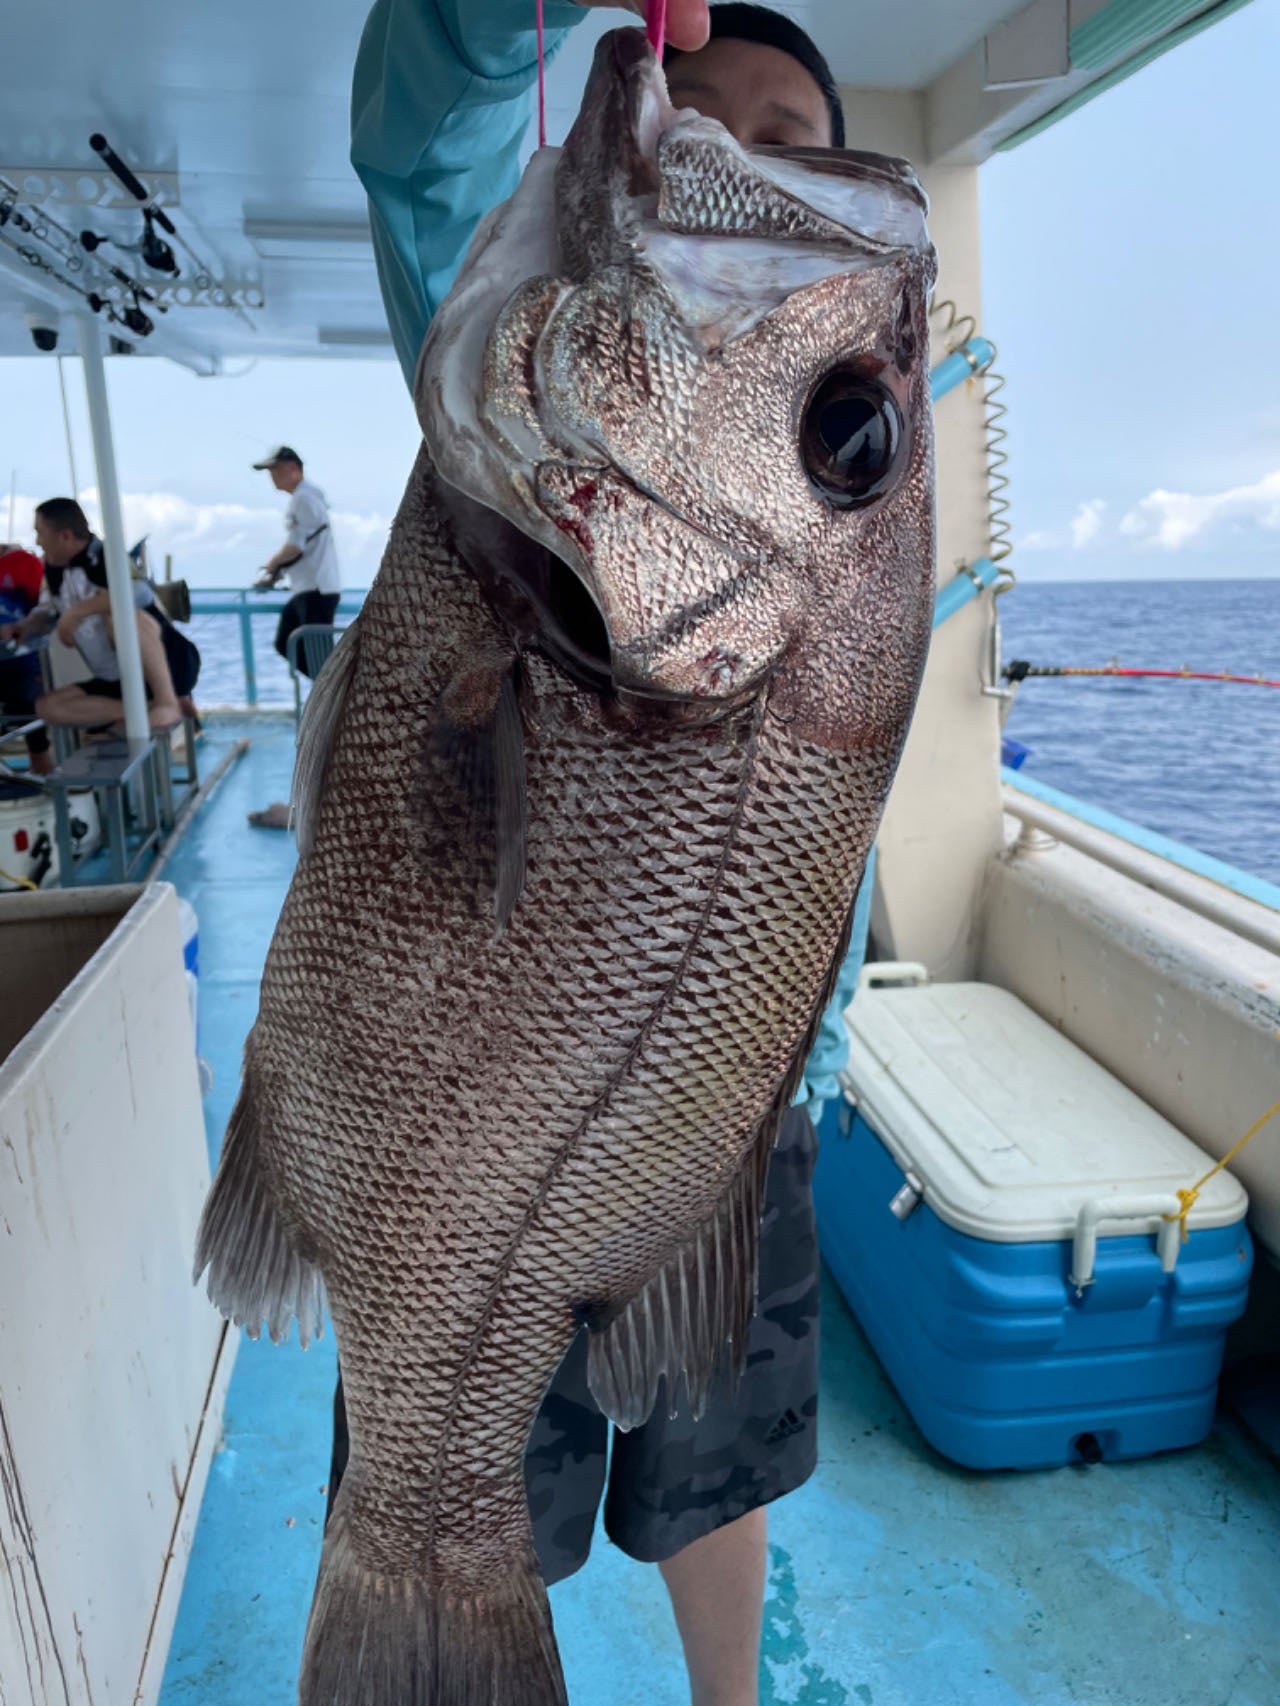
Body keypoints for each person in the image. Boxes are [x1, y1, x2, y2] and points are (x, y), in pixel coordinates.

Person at [329, 6, 846, 1703]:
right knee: (460, 1462)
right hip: (472, 1091)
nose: (743, 153)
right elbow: (417, 144)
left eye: (791, 134)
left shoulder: (825, 442)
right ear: (610, 141)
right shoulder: (507, 345)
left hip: (746, 1083)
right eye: (702, 114)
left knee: (722, 1459)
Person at [1, 498, 199, 735]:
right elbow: (48, 611)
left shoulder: (107, 555)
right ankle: (146, 709)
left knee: (122, 619)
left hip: (171, 665)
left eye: (40, 533)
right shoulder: (53, 571)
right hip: (116, 680)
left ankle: (166, 700)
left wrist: (77, 611)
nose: (37, 542)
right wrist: (25, 627)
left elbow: (140, 592)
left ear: (65, 536)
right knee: (47, 707)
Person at [251, 446, 342, 671]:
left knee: (318, 658)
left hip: (315, 590)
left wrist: (272, 565)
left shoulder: (303, 498)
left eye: (275, 469)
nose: (272, 475)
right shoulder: (311, 496)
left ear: (293, 468)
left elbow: (295, 546)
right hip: (310, 588)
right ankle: (330, 693)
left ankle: (336, 696)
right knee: (288, 644)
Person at [0, 540, 52, 774]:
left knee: (29, 710)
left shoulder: (24, 564)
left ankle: (43, 773)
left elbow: (44, 611)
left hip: (21, 665)